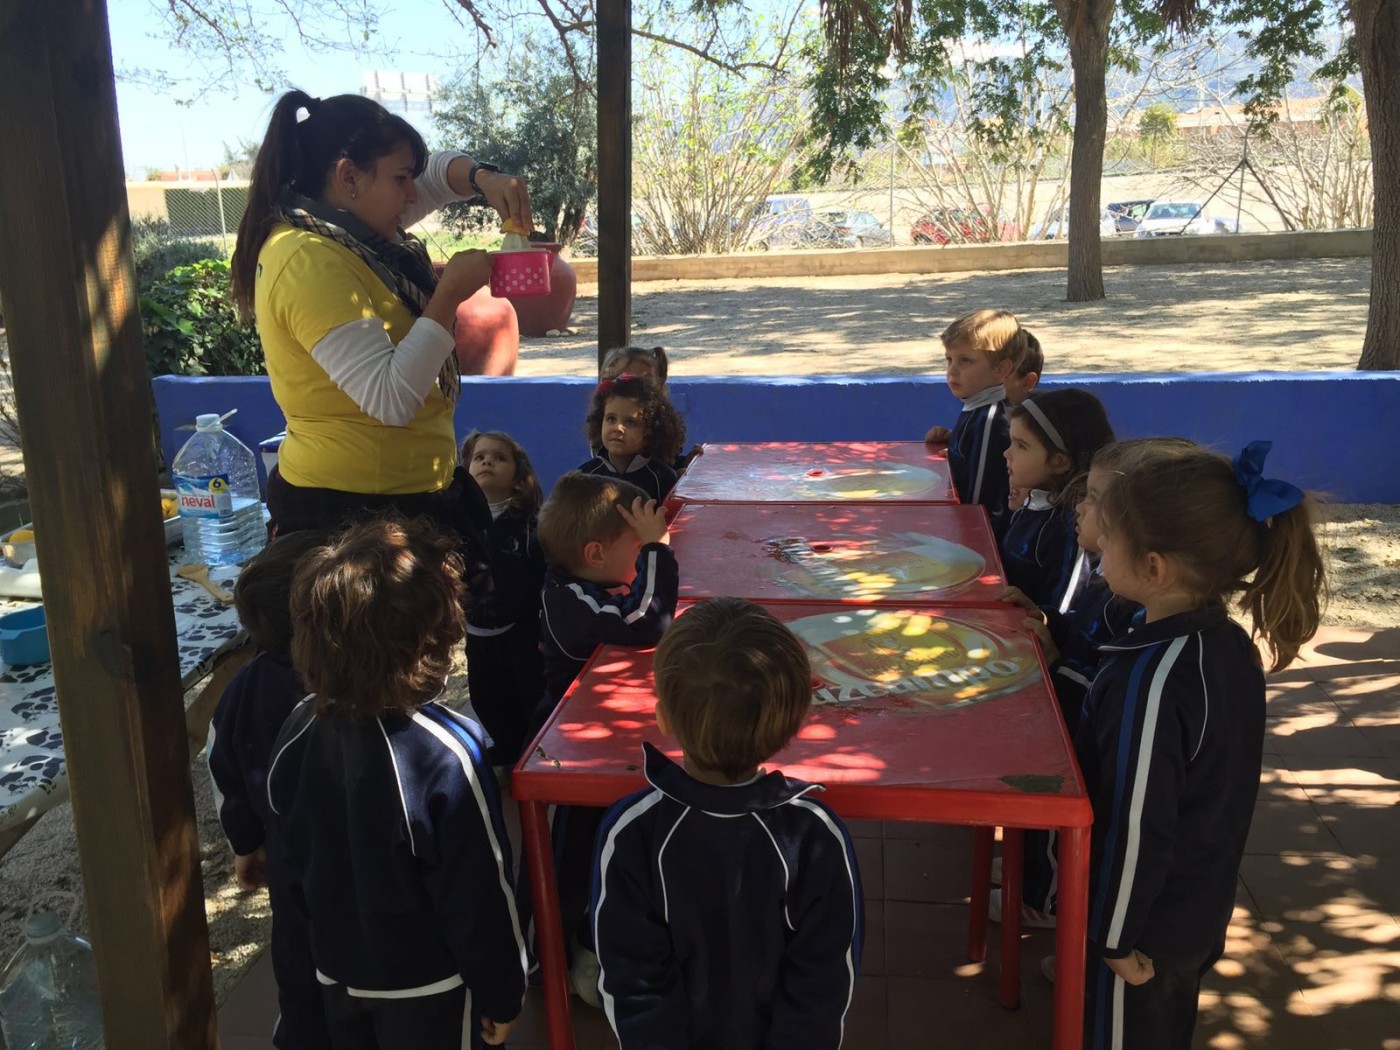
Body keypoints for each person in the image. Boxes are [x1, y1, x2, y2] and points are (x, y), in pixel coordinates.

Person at [1075, 439, 1324, 1048]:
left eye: (1108, 538)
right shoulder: (1224, 643)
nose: (1098, 547)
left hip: (1146, 928)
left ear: (1155, 567)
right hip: (1195, 908)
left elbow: (1140, 822)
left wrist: (1112, 935)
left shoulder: (1155, 678)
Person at [266, 517, 527, 1050]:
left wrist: (299, 1005)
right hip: (431, 990)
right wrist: (504, 992)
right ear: (433, 637)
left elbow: (289, 882)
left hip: (332, 975)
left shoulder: (295, 730)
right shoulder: (450, 753)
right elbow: (480, 893)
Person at [230, 88, 531, 546]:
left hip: (403, 496)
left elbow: (435, 177)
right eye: (399, 179)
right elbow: (390, 399)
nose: (412, 195)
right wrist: (448, 295)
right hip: (350, 517)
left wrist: (482, 178)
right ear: (348, 177)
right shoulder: (310, 259)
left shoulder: (349, 232)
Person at [589, 597, 863, 1049]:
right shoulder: (815, 837)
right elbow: (824, 984)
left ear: (663, 719)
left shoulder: (630, 832)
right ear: (792, 723)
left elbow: (632, 984)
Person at [527, 472, 679, 973]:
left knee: (591, 840)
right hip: (561, 748)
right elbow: (647, 621)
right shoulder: (572, 602)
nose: (642, 557)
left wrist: (650, 549)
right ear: (596, 554)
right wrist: (659, 551)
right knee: (561, 854)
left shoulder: (583, 584)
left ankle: (583, 936)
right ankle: (540, 956)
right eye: (636, 549)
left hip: (582, 734)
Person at [207, 531, 330, 1050]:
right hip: (361, 854)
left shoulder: (243, 687)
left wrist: (244, 842)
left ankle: (304, 1033)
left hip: (288, 855)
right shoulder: (357, 681)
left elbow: (224, 767)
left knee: (300, 958)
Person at [460, 430, 547, 768]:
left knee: (529, 693)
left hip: (521, 628)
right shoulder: (461, 524)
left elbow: (542, 575)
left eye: (499, 458)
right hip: (477, 629)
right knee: (486, 696)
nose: (487, 462)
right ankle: (508, 749)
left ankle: (532, 751)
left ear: (518, 480)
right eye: (479, 457)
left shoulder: (528, 526)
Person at [921, 309, 1038, 536]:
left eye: (965, 360)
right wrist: (954, 440)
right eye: (949, 359)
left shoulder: (990, 419)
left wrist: (966, 541)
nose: (952, 370)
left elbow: (981, 501)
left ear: (1001, 369)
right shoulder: (977, 410)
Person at [999, 388, 1115, 617]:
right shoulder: (1035, 500)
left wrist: (1042, 618)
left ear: (1059, 461)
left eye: (1021, 445)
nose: (1006, 453)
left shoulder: (1072, 528)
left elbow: (1065, 607)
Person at [576, 373, 686, 503]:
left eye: (630, 422)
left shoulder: (663, 479)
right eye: (611, 419)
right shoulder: (585, 475)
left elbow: (671, 521)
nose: (618, 428)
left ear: (651, 430)